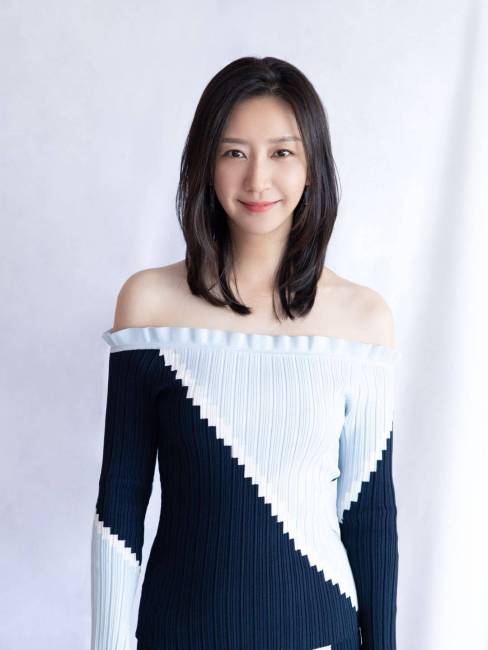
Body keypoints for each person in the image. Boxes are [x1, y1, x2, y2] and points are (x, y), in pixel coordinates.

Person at [91, 56, 400, 650]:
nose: (258, 180)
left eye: (282, 152)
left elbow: (369, 517)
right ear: (205, 165)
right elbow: (120, 503)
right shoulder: (149, 304)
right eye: (234, 152)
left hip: (321, 636)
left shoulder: (362, 319)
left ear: (312, 167)